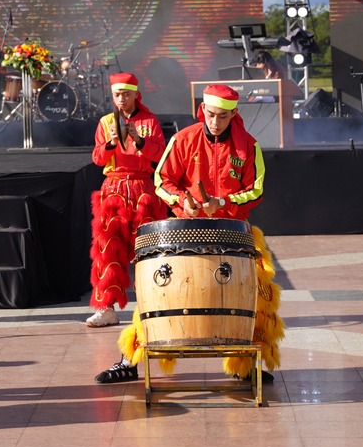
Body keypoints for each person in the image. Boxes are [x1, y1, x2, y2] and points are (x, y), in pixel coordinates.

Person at [99, 82, 284, 387]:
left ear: (234, 114)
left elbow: (256, 190)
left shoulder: (248, 147)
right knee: (155, 295)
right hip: (186, 228)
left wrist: (223, 202)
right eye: (210, 115)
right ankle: (129, 360)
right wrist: (180, 199)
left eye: (222, 117)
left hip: (233, 229)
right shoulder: (183, 139)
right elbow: (162, 180)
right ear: (202, 111)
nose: (215, 122)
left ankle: (246, 363)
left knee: (258, 295)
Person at [84, 72, 168, 328]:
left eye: (126, 94)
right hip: (114, 188)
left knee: (148, 250)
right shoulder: (105, 122)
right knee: (107, 249)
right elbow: (97, 159)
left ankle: (152, 304)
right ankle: (106, 308)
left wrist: (138, 139)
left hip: (142, 187)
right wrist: (110, 143)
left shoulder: (149, 121)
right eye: (117, 94)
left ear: (135, 94)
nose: (122, 99)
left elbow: (159, 155)